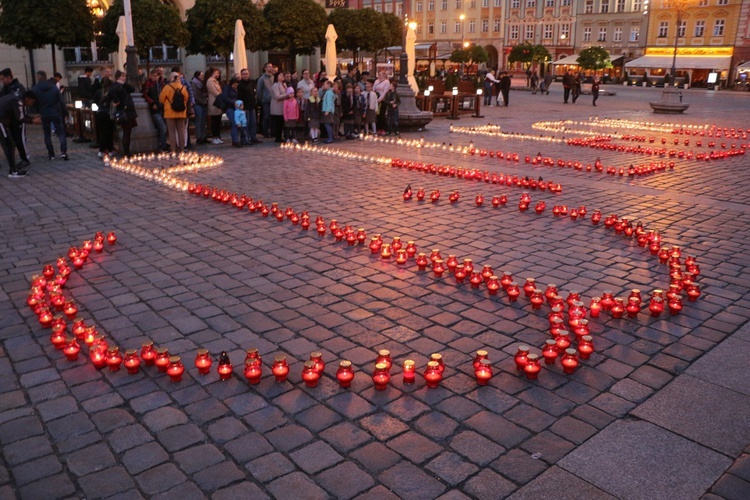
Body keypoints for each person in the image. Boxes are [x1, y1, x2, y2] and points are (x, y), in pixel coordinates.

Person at [32, 71, 69, 161]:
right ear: (45, 77)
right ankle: (63, 152)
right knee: (61, 132)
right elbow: (61, 101)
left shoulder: (35, 89)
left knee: (47, 134)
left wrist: (38, 110)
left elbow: (34, 102)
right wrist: (65, 112)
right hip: (55, 112)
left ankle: (51, 154)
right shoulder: (53, 87)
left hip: (44, 113)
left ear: (38, 77)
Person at [0, 90, 37, 177]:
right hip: (1, 121)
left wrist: (31, 118)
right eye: (31, 101)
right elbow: (20, 117)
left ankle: (13, 169)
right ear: (27, 98)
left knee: (8, 143)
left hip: (2, 120)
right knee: (9, 145)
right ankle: (13, 171)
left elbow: (19, 115)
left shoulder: (16, 98)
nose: (31, 104)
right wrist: (32, 120)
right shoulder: (18, 101)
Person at [0, 68, 30, 168]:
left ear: (9, 77)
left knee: (20, 138)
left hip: (18, 116)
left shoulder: (18, 87)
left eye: (3, 79)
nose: (2, 81)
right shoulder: (5, 88)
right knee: (12, 139)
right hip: (8, 118)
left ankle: (25, 159)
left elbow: (18, 101)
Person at [105, 70, 138, 157]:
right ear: (118, 77)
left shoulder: (123, 85)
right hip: (124, 111)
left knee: (128, 131)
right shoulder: (116, 85)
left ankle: (127, 152)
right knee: (126, 131)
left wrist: (123, 83)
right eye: (122, 76)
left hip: (129, 111)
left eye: (125, 76)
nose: (124, 78)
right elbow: (111, 92)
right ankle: (126, 152)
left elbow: (132, 89)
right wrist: (117, 101)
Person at [159, 71, 189, 153]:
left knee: (171, 131)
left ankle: (173, 150)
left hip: (170, 112)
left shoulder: (167, 87)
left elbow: (161, 99)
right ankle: (182, 149)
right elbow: (186, 98)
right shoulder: (182, 87)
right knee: (181, 131)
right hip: (181, 112)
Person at [143, 68, 168, 152]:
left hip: (162, 108)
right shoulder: (148, 84)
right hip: (155, 109)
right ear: (150, 76)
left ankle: (162, 144)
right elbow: (146, 95)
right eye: (153, 76)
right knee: (162, 127)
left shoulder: (161, 84)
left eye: (156, 76)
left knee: (163, 127)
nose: (155, 77)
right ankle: (162, 146)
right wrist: (152, 103)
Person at [237, 68, 260, 145]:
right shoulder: (240, 85)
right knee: (245, 124)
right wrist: (241, 108)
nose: (245, 75)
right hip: (245, 108)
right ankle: (246, 139)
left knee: (253, 123)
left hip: (252, 106)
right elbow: (239, 97)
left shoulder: (251, 83)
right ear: (241, 75)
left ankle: (253, 137)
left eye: (246, 73)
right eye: (244, 74)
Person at [93, 77, 113, 157]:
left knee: (102, 132)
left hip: (100, 112)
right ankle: (109, 149)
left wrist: (99, 106)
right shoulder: (110, 92)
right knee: (109, 132)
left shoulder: (98, 91)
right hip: (108, 112)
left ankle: (102, 150)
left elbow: (95, 101)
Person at [205, 68, 223, 144]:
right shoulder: (210, 81)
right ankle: (214, 136)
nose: (218, 75)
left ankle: (218, 136)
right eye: (216, 73)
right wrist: (221, 95)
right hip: (214, 103)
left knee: (218, 121)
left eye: (218, 73)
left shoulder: (216, 81)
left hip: (218, 103)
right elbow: (215, 92)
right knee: (214, 121)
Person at [222, 76, 241, 147]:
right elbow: (224, 97)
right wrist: (233, 102)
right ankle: (235, 140)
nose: (235, 87)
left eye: (236, 86)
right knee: (234, 123)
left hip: (236, 108)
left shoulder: (237, 90)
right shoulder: (227, 88)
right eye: (234, 85)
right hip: (229, 107)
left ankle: (236, 140)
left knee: (237, 123)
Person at [257, 63, 274, 137]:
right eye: (269, 67)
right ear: (265, 68)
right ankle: (265, 132)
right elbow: (259, 91)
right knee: (266, 116)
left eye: (271, 66)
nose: (270, 68)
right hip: (266, 100)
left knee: (272, 117)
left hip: (273, 100)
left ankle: (272, 131)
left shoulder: (273, 77)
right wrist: (262, 99)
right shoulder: (262, 79)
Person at [191, 70, 208, 144]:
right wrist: (202, 101)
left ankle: (203, 136)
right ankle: (199, 137)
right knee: (199, 121)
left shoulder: (202, 83)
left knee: (203, 121)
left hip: (203, 103)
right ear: (197, 76)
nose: (203, 77)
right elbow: (195, 95)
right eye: (201, 75)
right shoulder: (194, 83)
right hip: (198, 104)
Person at [270, 71, 287, 143]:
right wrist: (287, 94)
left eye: (282, 75)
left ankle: (280, 136)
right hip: (277, 107)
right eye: (280, 75)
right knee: (278, 123)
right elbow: (277, 96)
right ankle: (278, 137)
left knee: (281, 123)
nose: (282, 76)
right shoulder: (275, 85)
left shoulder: (283, 84)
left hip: (283, 106)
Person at [373, 70, 390, 135]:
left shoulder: (386, 82)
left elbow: (385, 92)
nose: (379, 75)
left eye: (381, 74)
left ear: (384, 75)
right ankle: (378, 129)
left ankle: (383, 129)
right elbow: (374, 89)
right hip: (376, 98)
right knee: (377, 115)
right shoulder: (376, 81)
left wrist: (379, 99)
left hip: (383, 100)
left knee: (382, 115)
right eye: (379, 74)